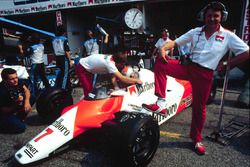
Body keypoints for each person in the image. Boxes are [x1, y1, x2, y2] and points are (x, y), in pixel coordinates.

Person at [142, 1, 249, 155]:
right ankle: (161, 102)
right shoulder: (195, 32)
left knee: (199, 109)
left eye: (216, 16)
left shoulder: (228, 35)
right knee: (160, 62)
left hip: (205, 75)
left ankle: (196, 139)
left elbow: (246, 52)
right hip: (189, 67)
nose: (212, 19)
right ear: (204, 17)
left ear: (222, 17)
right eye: (209, 16)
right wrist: (163, 49)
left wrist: (226, 63)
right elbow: (174, 43)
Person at [75, 48, 143, 97]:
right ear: (118, 63)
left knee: (92, 89)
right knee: (88, 91)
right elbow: (122, 78)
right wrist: (136, 80)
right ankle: (88, 108)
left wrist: (116, 88)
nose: (123, 66)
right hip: (82, 67)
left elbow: (113, 75)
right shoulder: (110, 64)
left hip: (88, 67)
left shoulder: (112, 57)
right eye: (122, 64)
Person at [0, 68, 34, 133]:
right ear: (5, 80)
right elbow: (6, 110)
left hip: (14, 105)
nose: (15, 80)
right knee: (21, 128)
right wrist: (17, 103)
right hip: (4, 113)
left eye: (16, 77)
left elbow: (27, 91)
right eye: (12, 79)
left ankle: (18, 118)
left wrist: (26, 102)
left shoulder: (18, 81)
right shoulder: (2, 91)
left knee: (31, 98)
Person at [52, 25, 73, 90]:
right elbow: (67, 51)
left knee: (60, 73)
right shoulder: (64, 39)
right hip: (64, 58)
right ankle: (63, 89)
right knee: (65, 74)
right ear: (63, 32)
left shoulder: (53, 39)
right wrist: (70, 61)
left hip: (57, 58)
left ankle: (65, 86)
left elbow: (53, 50)